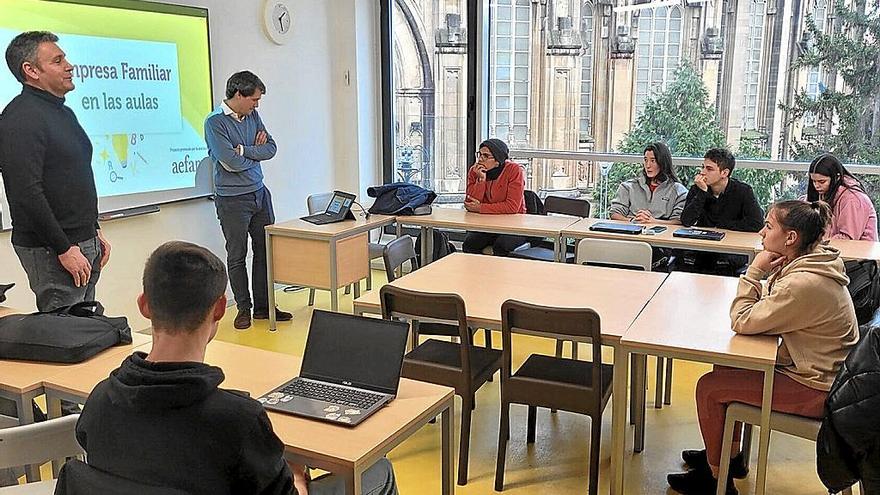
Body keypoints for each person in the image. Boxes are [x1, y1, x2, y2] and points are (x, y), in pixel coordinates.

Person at [74, 241, 398, 495]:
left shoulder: (100, 401)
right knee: (378, 471)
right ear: (219, 309)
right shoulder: (236, 420)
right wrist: (296, 473)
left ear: (144, 305)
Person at [667, 200, 859, 495]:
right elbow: (770, 304)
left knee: (709, 387)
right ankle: (728, 459)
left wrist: (754, 272)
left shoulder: (804, 283)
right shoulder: (811, 262)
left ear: (791, 238)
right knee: (726, 364)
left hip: (818, 387)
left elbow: (743, 319)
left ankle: (717, 482)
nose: (761, 231)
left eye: (769, 226)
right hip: (818, 370)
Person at [0, 31, 110, 312]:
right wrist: (63, 247)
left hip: (81, 241)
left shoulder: (63, 112)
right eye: (58, 60)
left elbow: (72, 177)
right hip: (52, 249)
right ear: (31, 71)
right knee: (66, 337)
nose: (69, 66)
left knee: (86, 329)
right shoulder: (20, 119)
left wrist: (92, 231)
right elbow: (26, 192)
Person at [205, 71, 291, 330]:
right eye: (254, 99)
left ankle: (265, 307)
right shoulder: (215, 122)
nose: (257, 104)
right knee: (237, 255)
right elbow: (229, 162)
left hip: (260, 194)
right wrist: (252, 153)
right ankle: (244, 308)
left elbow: (271, 148)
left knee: (265, 251)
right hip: (232, 200)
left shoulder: (253, 116)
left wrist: (243, 149)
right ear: (239, 95)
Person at [678, 148, 763, 274]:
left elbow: (756, 224)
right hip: (703, 251)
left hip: (731, 251)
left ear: (724, 173)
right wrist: (702, 193)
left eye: (709, 169)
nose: (702, 172)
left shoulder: (743, 191)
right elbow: (686, 220)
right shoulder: (697, 190)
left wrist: (720, 226)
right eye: (703, 167)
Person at [461, 138, 529, 256]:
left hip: (514, 225)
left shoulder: (514, 170)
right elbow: (470, 203)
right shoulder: (475, 171)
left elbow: (512, 207)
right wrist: (481, 180)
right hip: (488, 224)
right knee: (469, 244)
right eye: (480, 154)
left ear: (497, 160)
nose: (481, 159)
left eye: (486, 156)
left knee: (501, 246)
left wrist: (481, 208)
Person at [610, 142, 687, 225]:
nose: (648, 165)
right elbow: (615, 213)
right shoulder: (628, 187)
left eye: (653, 161)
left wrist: (654, 222)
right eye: (646, 160)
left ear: (662, 162)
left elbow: (679, 221)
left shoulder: (678, 191)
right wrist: (633, 221)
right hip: (631, 233)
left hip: (662, 235)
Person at [805, 153, 877, 241]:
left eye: (822, 181)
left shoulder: (853, 199)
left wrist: (815, 244)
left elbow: (847, 239)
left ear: (837, 177)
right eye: (813, 181)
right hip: (832, 250)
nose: (816, 186)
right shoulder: (823, 193)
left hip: (858, 253)